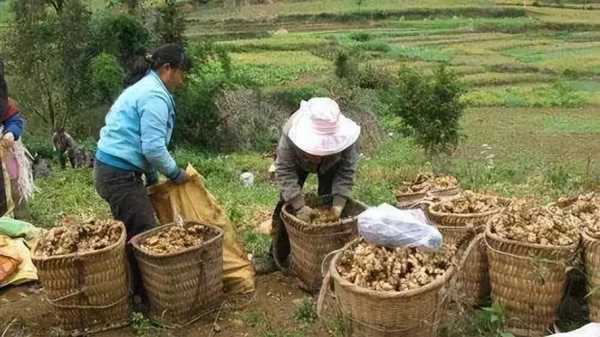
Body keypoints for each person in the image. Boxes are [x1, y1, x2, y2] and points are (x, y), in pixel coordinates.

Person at [94, 44, 192, 295]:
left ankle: (133, 289)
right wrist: (176, 174)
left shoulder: (147, 88)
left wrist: (150, 176)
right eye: (182, 73)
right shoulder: (154, 96)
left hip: (114, 170)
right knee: (144, 235)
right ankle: (141, 296)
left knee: (134, 229)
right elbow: (153, 148)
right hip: (118, 174)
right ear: (167, 69)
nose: (182, 80)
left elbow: (140, 141)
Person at [269, 97, 361, 271]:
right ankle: (277, 256)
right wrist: (298, 205)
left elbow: (346, 172)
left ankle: (326, 257)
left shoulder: (347, 139)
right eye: (314, 150)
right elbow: (284, 170)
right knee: (286, 205)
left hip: (332, 164)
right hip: (298, 163)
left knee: (328, 202)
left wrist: (338, 206)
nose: (318, 155)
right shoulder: (291, 133)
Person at [0, 58, 32, 217]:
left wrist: (10, 132)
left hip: (7, 155)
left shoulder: (5, 104)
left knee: (15, 190)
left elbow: (14, 120)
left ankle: (22, 221)